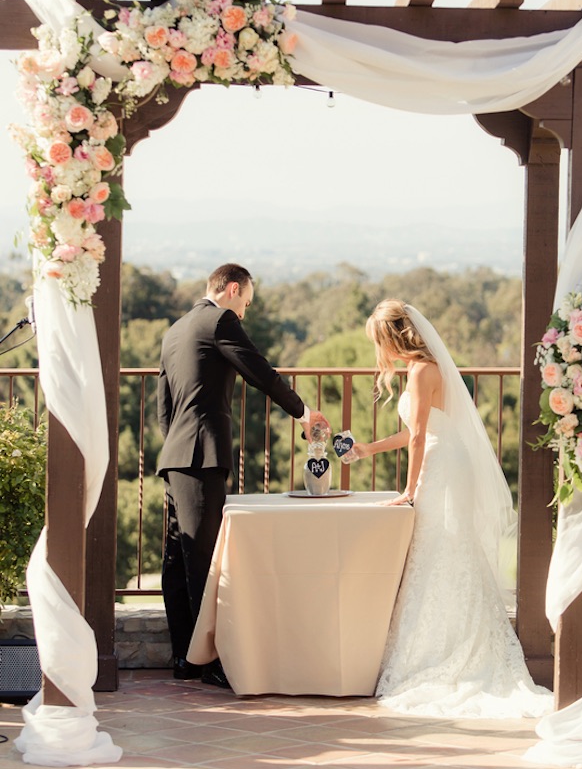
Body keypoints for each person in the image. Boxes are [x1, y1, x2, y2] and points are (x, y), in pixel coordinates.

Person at [350, 299, 553, 719]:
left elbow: (421, 436)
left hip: (442, 467)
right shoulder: (417, 369)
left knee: (446, 550)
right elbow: (415, 432)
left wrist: (408, 489)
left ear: (393, 336)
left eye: (379, 341)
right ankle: (439, 645)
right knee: (438, 552)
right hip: (440, 459)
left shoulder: (423, 370)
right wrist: (370, 448)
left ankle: (453, 650)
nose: (378, 350)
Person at [157, 262, 329, 687]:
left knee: (178, 558)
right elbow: (259, 371)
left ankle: (184, 657)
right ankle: (205, 661)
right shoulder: (220, 320)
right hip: (200, 456)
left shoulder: (176, 328)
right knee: (201, 560)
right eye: (247, 303)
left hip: (175, 454)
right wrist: (304, 413)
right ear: (232, 290)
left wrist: (175, 446)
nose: (245, 313)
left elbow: (164, 406)